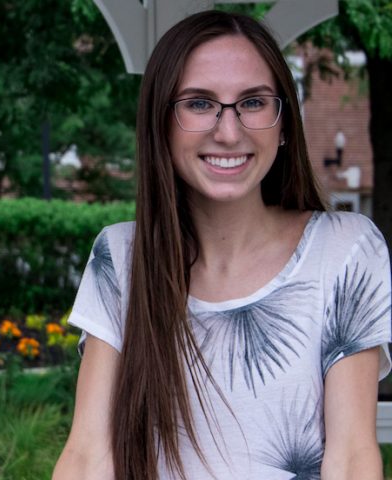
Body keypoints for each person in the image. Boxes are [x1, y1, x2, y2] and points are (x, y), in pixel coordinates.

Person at [53, 9, 391, 480]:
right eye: (199, 104)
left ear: (284, 121)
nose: (229, 132)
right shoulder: (121, 258)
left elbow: (352, 460)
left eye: (252, 102)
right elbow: (88, 456)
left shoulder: (345, 251)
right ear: (161, 125)